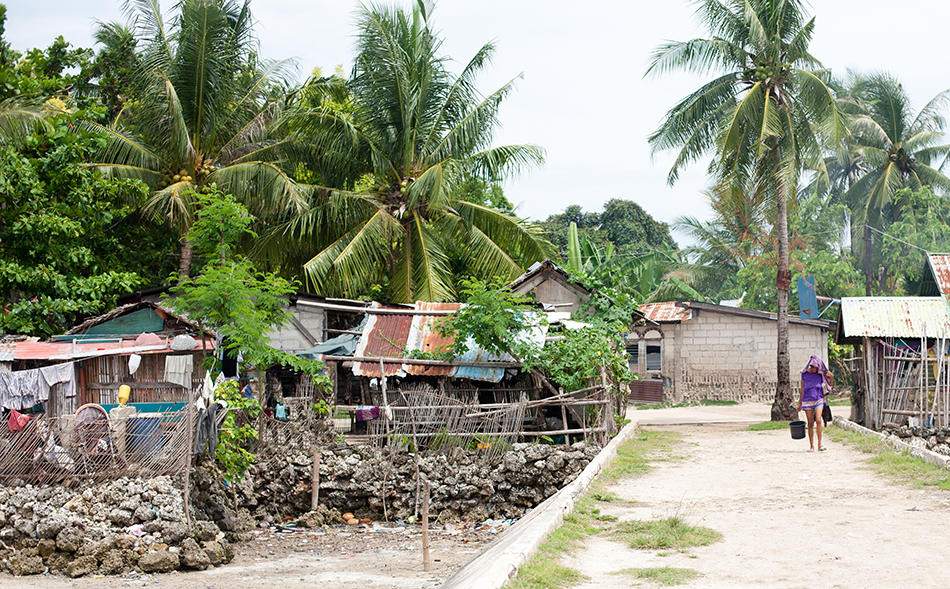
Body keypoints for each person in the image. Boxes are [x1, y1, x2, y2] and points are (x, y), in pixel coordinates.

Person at [798, 354, 834, 452]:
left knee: (818, 420)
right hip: (807, 400)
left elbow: (829, 384)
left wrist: (832, 377)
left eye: (817, 367)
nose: (815, 369)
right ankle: (811, 446)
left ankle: (820, 445)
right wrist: (799, 403)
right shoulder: (804, 374)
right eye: (813, 367)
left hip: (818, 398)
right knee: (810, 423)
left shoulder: (820, 373)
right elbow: (802, 389)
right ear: (810, 366)